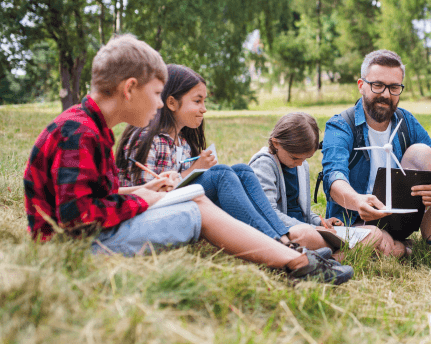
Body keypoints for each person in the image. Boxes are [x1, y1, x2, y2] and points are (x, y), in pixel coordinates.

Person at [23, 35, 352, 285]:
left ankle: (291, 255)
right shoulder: (80, 132)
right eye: (155, 94)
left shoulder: (89, 127)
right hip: (77, 247)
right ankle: (293, 261)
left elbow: (92, 198)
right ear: (129, 89)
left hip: (88, 236)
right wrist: (144, 200)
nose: (158, 104)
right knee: (194, 209)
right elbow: (76, 219)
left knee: (194, 197)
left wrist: (143, 192)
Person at [115, 64, 316, 250]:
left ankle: (282, 237)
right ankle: (277, 244)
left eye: (204, 101)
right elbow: (151, 195)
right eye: (197, 101)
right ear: (172, 103)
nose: (204, 108)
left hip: (179, 204)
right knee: (220, 174)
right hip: (151, 215)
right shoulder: (147, 139)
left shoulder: (182, 143)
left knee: (241, 170)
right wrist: (195, 170)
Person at [320, 49, 431, 257]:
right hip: (355, 220)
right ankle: (404, 249)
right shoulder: (342, 125)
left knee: (423, 152)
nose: (385, 94)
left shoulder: (406, 121)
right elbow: (333, 177)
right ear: (361, 86)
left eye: (394, 87)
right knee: (378, 240)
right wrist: (358, 201)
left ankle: (430, 246)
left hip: (400, 218)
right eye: (377, 85)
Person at [248, 112, 388, 257]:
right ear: (276, 143)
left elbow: (303, 212)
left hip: (310, 230)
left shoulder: (300, 166)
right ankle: (338, 254)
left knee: (374, 233)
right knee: (304, 235)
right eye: (295, 158)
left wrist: (321, 223)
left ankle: (331, 259)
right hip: (287, 232)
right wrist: (313, 228)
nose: (300, 163)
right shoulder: (264, 164)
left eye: (306, 158)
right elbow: (268, 214)